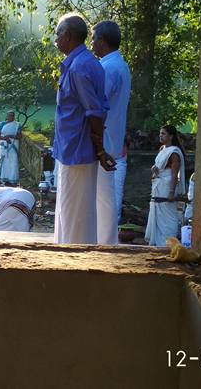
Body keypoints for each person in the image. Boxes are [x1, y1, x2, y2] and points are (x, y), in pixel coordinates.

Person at [51, 14, 115, 245]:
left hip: (78, 151)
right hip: (72, 150)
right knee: (70, 210)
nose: (56, 40)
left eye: (58, 34)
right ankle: (68, 253)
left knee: (76, 214)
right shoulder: (85, 63)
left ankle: (75, 260)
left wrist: (99, 150)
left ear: (68, 36)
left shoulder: (79, 67)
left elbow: (95, 112)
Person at [91, 20, 131, 245]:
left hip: (103, 140)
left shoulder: (108, 68)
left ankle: (104, 240)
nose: (92, 44)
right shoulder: (121, 66)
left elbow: (98, 107)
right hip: (112, 138)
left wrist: (95, 141)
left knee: (102, 195)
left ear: (103, 42)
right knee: (104, 194)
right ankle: (104, 238)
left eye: (94, 39)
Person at [145, 125, 187, 247]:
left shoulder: (174, 152)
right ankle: (158, 244)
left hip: (167, 186)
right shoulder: (162, 149)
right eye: (160, 133)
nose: (160, 136)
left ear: (171, 136)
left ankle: (169, 242)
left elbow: (175, 174)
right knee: (157, 210)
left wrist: (171, 192)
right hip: (158, 184)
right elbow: (158, 168)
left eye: (163, 134)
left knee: (168, 214)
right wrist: (153, 169)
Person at [0, 111, 21, 185]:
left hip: (13, 145)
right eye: (9, 115)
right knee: (5, 162)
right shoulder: (2, 124)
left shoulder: (17, 125)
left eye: (12, 116)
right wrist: (4, 138)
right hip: (4, 146)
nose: (10, 117)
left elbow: (19, 136)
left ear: (14, 117)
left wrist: (10, 136)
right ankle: (4, 178)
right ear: (6, 116)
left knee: (13, 162)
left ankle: (13, 179)